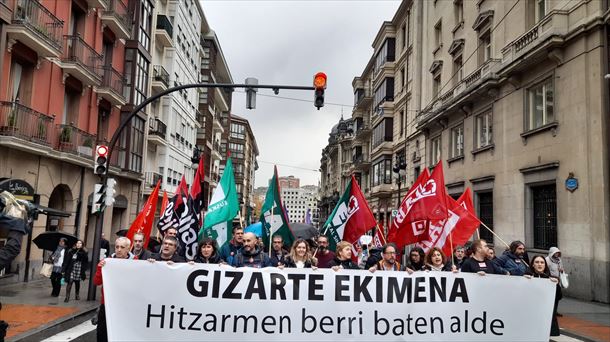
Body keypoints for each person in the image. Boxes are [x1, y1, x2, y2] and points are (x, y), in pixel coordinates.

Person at [94, 237, 134, 342]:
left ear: (128, 249)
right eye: (117, 247)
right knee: (102, 332)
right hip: (107, 303)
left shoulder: (135, 262)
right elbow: (96, 282)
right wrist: (100, 268)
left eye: (122, 247)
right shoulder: (107, 262)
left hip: (126, 305)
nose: (119, 249)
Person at [525, 255, 560, 336]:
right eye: (537, 262)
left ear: (545, 265)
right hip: (531, 315)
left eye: (542, 262)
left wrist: (556, 285)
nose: (539, 264)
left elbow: (558, 297)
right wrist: (523, 280)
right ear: (533, 265)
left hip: (545, 316)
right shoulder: (527, 277)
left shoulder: (550, 278)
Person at [546, 247, 564, 317]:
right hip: (551, 281)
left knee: (557, 297)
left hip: (558, 281)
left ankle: (555, 310)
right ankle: (551, 311)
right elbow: (546, 270)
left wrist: (561, 270)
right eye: (555, 253)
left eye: (558, 253)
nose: (557, 254)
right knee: (551, 297)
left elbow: (562, 268)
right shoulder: (547, 260)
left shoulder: (559, 260)